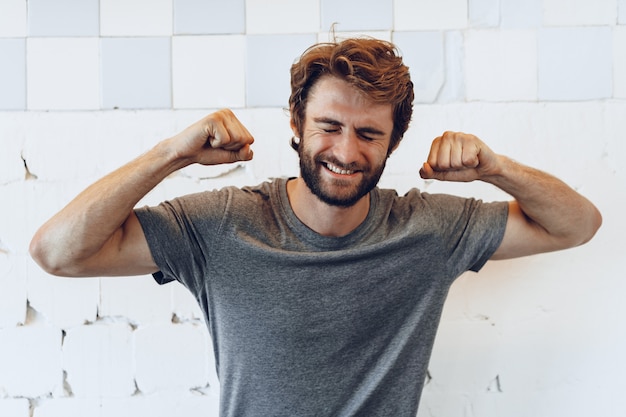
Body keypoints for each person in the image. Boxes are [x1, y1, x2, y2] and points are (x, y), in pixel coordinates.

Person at [29, 38, 602, 417]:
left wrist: (497, 168)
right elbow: (58, 253)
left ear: (392, 143)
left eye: (369, 134)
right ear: (297, 127)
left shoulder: (429, 228)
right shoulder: (222, 224)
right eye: (329, 126)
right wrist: (169, 155)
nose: (346, 151)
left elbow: (576, 226)